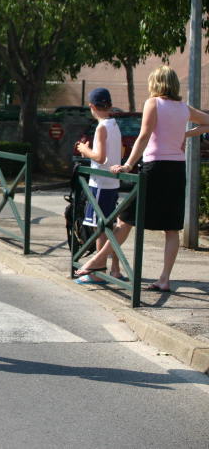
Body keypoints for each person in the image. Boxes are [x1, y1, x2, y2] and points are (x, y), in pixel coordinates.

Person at [76, 66, 209, 292]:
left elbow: (144, 136)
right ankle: (164, 279)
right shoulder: (183, 108)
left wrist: (128, 164)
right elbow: (207, 122)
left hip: (154, 167)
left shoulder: (153, 103)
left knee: (126, 220)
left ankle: (96, 262)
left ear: (155, 83)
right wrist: (184, 134)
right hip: (177, 169)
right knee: (171, 228)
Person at [73, 88, 123, 285]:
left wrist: (85, 150)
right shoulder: (114, 124)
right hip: (111, 183)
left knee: (100, 228)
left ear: (92, 106)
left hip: (100, 183)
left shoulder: (101, 127)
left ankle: (97, 270)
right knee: (108, 228)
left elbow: (100, 157)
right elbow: (117, 151)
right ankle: (115, 269)